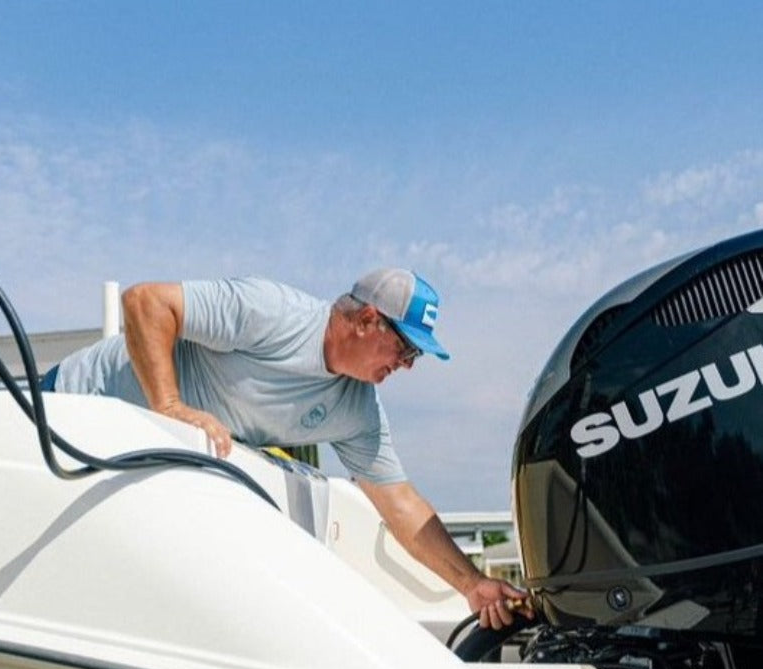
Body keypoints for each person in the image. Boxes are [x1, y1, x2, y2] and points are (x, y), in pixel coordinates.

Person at [44, 269, 530, 629]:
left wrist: (472, 585)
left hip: (132, 461)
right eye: (405, 350)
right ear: (366, 320)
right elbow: (145, 302)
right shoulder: (276, 315)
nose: (406, 366)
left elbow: (400, 503)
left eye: (415, 356)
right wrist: (169, 406)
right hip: (68, 406)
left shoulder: (358, 410)